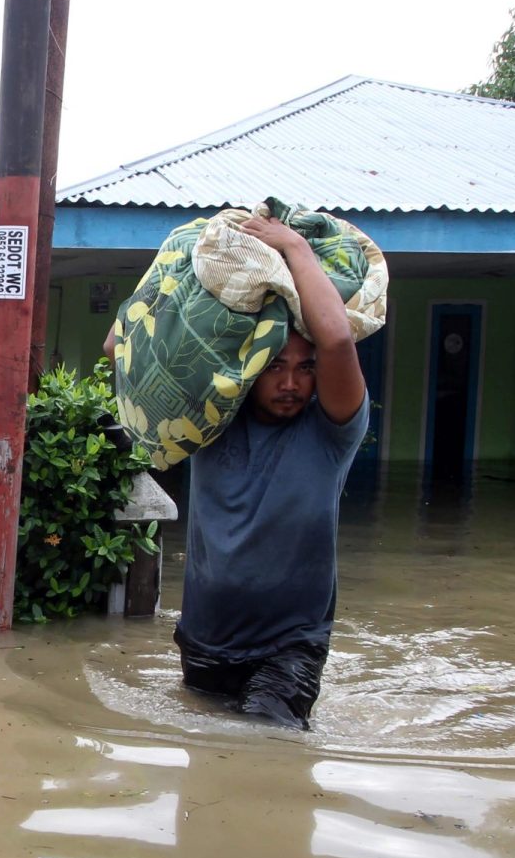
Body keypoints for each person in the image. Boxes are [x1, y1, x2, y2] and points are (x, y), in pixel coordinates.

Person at [110, 215, 368, 729]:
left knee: (265, 751)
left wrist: (292, 246)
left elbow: (337, 341)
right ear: (248, 367)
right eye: (275, 366)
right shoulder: (207, 421)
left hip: (290, 647)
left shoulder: (332, 431)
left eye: (304, 368)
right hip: (204, 640)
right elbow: (124, 349)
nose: (292, 382)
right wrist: (192, 270)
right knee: (205, 786)